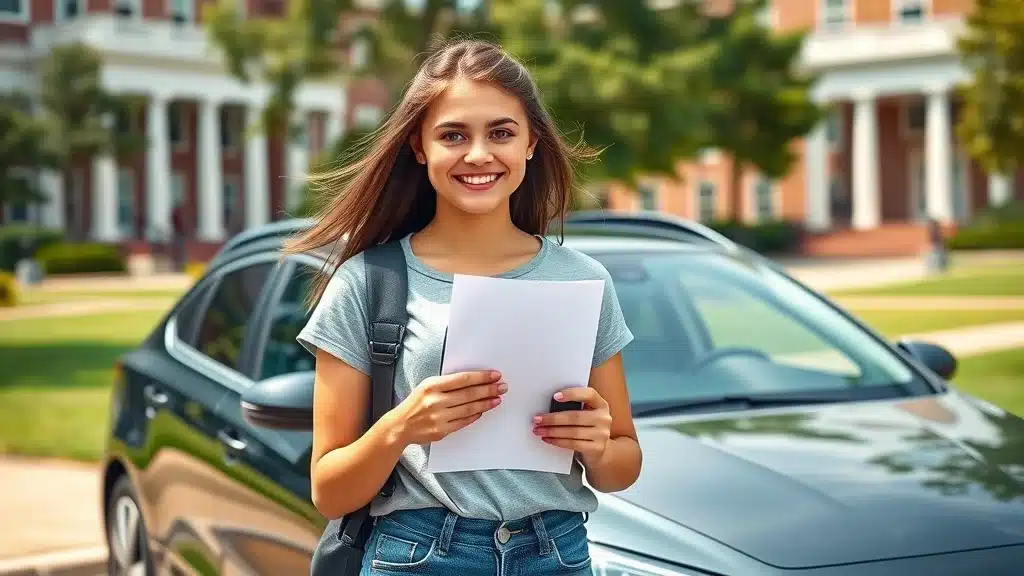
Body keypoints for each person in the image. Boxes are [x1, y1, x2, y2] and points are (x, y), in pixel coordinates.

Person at [286, 38, 641, 576]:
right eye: (454, 135)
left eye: (501, 132)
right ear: (419, 146)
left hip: (558, 555)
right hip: (420, 556)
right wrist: (402, 426)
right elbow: (330, 493)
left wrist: (596, 444)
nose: (479, 154)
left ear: (531, 144)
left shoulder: (583, 279)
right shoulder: (368, 282)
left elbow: (622, 467)